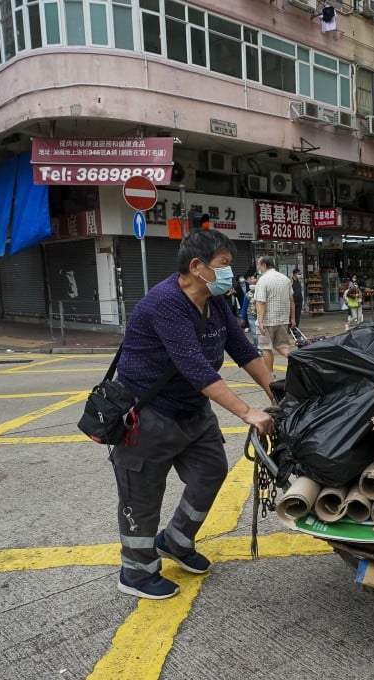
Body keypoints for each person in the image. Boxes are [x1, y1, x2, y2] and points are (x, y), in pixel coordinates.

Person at [110, 229, 274, 600]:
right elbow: (197, 370)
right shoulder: (165, 303)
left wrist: (274, 390)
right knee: (142, 494)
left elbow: (241, 347)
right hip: (147, 413)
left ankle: (177, 541)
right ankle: (135, 571)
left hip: (192, 412)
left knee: (211, 471)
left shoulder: (214, 302)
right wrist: (247, 412)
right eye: (225, 265)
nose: (231, 273)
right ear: (197, 266)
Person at [254, 257, 294, 376]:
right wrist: (292, 318)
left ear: (264, 265)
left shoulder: (263, 280)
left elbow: (261, 302)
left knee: (266, 347)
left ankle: (269, 374)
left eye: (258, 265)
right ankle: (298, 361)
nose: (257, 267)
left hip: (267, 320)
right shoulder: (285, 279)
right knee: (282, 345)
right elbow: (291, 300)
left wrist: (260, 322)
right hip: (282, 319)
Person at [240, 275, 259, 350]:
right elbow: (244, 307)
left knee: (260, 333)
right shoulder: (248, 294)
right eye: (251, 284)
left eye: (254, 284)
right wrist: (243, 318)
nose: (252, 285)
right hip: (251, 315)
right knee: (255, 333)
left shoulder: (262, 292)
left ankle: (259, 347)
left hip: (261, 315)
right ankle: (258, 348)